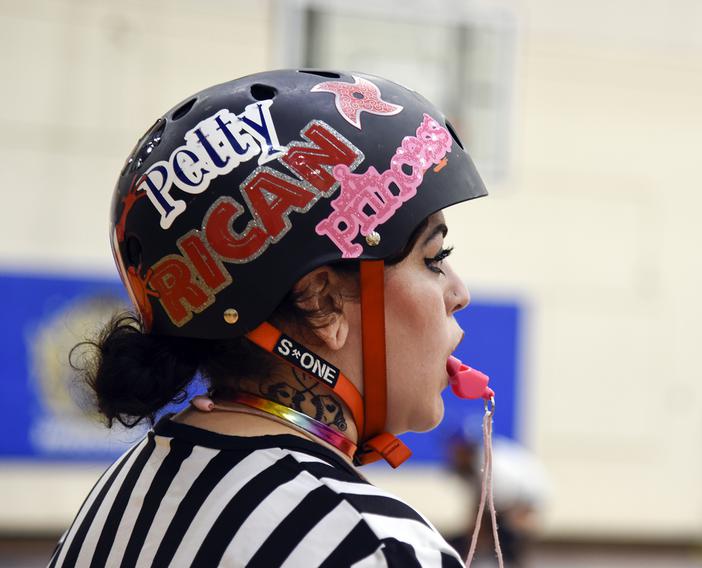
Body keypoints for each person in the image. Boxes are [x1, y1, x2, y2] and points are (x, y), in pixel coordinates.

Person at [49, 69, 488, 567]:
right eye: (433, 257)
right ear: (322, 303)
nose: (459, 292)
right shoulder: (375, 546)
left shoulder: (119, 496)